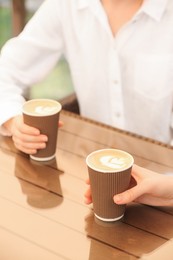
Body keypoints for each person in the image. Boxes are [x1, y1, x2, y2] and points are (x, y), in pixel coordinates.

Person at [0, 0, 173, 205]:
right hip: (90, 185)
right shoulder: (66, 5)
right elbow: (7, 71)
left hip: (164, 184)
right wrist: (12, 119)